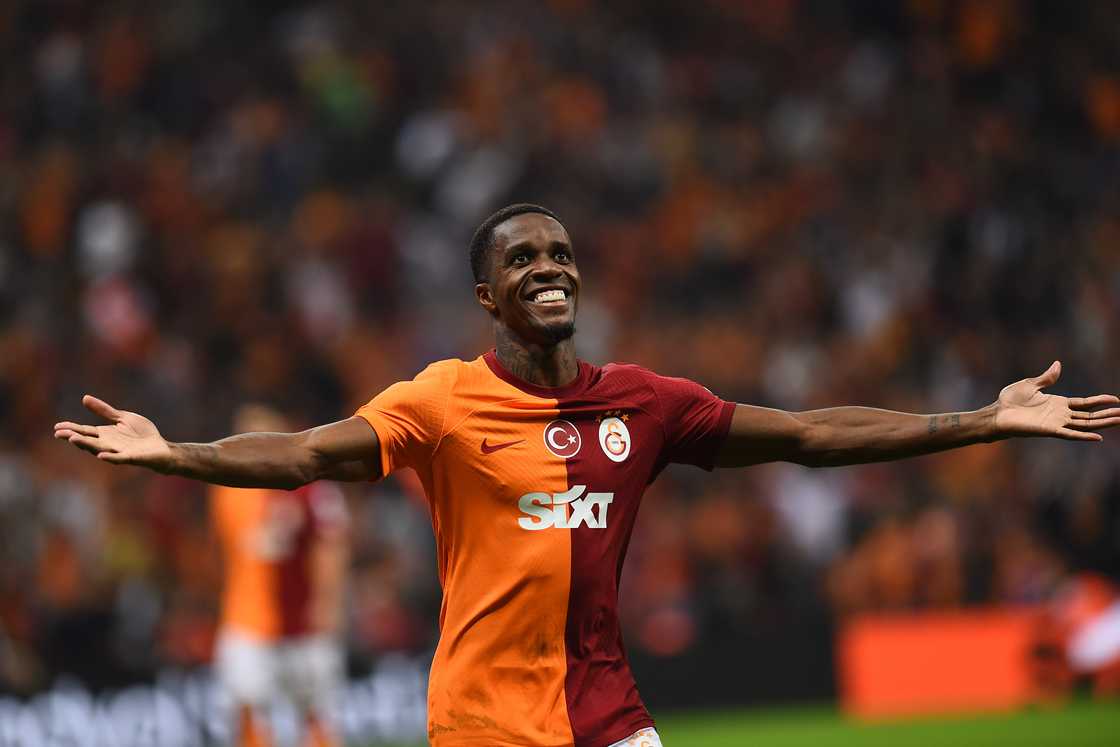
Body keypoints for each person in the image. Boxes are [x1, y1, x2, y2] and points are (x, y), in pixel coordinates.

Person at [55, 203, 1120, 747]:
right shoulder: (437, 400)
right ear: (485, 296)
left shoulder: (643, 403)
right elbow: (298, 452)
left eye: (559, 252)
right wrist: (172, 452)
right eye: (521, 259)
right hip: (479, 722)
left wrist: (980, 420)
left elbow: (806, 434)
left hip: (606, 713)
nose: (548, 267)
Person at [210, 404, 349, 747]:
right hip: (247, 622)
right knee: (247, 713)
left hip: (302, 622)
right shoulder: (228, 491)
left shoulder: (308, 485)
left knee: (317, 713)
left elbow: (332, 545)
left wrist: (327, 602)